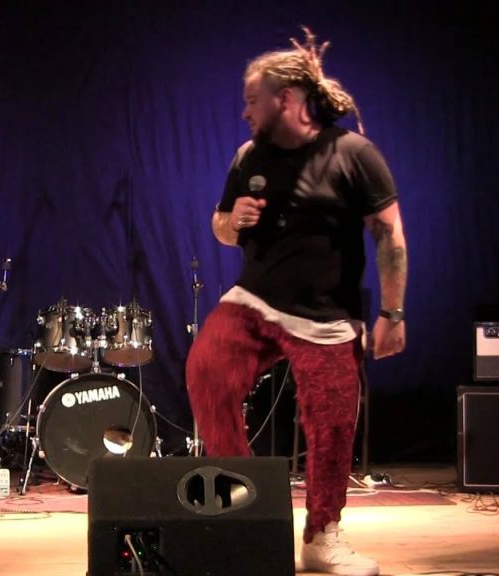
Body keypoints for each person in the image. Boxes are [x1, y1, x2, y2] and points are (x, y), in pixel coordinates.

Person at [185, 27, 407, 576]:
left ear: (285, 99)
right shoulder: (248, 156)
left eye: (251, 100)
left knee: (331, 423)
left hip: (326, 317)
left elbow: (389, 236)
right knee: (206, 370)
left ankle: (322, 537)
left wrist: (391, 314)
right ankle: (247, 516)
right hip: (255, 301)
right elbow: (220, 226)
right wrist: (232, 222)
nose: (244, 112)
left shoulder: (353, 154)